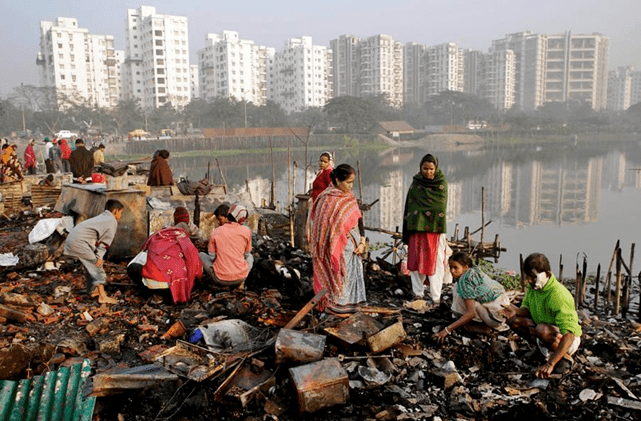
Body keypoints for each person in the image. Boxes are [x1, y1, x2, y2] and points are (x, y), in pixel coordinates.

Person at [501, 253, 582, 378]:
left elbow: (569, 335)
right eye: (528, 277)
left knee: (542, 330)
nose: (529, 281)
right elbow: (527, 309)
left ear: (546, 274)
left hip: (567, 341)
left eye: (533, 277)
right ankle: (541, 351)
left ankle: (563, 358)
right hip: (544, 331)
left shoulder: (558, 295)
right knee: (514, 321)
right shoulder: (534, 288)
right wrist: (515, 311)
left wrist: (550, 364)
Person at [310, 163, 367, 313]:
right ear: (337, 180)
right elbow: (322, 228)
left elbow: (359, 219)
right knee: (341, 277)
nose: (350, 186)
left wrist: (362, 241)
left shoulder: (349, 197)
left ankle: (353, 306)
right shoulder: (326, 199)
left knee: (353, 277)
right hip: (337, 251)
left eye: (352, 183)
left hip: (354, 248)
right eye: (348, 182)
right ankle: (337, 307)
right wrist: (334, 244)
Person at [402, 154, 449, 305]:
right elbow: (411, 205)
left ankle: (436, 296)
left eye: (431, 169)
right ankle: (418, 293)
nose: (428, 172)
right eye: (425, 168)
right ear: (420, 168)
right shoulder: (416, 183)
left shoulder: (441, 184)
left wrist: (422, 213)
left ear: (436, 168)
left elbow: (439, 207)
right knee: (415, 260)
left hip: (434, 230)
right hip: (416, 228)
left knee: (435, 262)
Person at [434, 252, 510, 344]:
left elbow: (471, 313)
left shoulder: (465, 281)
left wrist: (446, 330)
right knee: (460, 291)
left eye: (455, 268)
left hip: (496, 319)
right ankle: (479, 324)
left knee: (460, 295)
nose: (452, 271)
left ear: (466, 267)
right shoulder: (474, 271)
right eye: (450, 267)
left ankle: (472, 326)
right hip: (501, 312)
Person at [127, 217, 202, 304]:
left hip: (155, 284)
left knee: (132, 268)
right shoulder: (186, 241)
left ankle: (154, 295)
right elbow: (196, 267)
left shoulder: (158, 235)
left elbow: (144, 249)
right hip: (176, 288)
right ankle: (173, 296)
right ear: (186, 233)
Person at [63, 199, 124, 304]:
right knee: (96, 266)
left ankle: (91, 291)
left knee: (90, 265)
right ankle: (103, 296)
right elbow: (105, 243)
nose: (120, 216)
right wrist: (99, 257)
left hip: (73, 239)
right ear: (115, 211)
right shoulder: (111, 221)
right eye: (120, 213)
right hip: (79, 242)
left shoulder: (103, 217)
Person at [199, 204, 253, 289]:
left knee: (201, 255)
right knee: (250, 257)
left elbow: (212, 257)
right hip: (241, 277)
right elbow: (246, 255)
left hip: (220, 279)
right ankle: (241, 283)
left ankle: (223, 285)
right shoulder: (246, 231)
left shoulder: (215, 232)